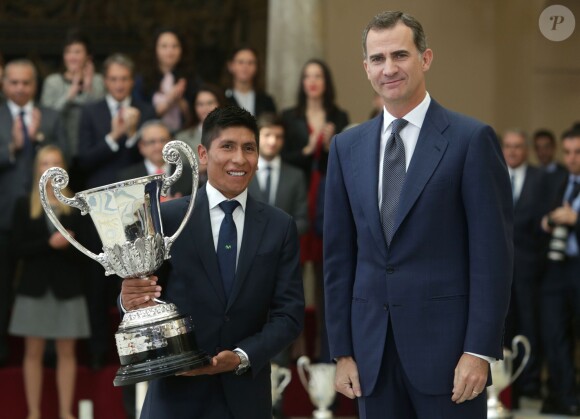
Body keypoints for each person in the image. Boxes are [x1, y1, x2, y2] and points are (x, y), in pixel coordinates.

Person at [323, 11, 513, 419]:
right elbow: (338, 259)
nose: (388, 68)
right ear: (365, 68)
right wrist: (342, 351)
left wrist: (478, 350)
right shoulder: (346, 147)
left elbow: (492, 258)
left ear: (425, 58)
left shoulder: (471, 140)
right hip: (371, 357)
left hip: (450, 361)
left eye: (400, 55)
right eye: (377, 59)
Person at [120, 106, 304, 419]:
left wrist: (242, 356)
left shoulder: (279, 226)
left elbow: (289, 314)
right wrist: (129, 299)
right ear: (203, 154)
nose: (239, 159)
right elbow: (143, 295)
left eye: (249, 148)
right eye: (227, 146)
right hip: (176, 397)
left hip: (246, 398)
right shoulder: (168, 217)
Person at [76, 53, 155, 370]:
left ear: (132, 81)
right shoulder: (90, 112)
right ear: (105, 81)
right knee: (97, 286)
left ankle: (137, 352)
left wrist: (135, 133)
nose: (119, 85)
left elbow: (151, 156)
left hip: (135, 211)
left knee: (136, 283)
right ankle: (98, 352)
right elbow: (82, 162)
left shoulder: (146, 111)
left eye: (125, 79)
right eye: (113, 79)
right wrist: (116, 136)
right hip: (99, 214)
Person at [9, 145, 90, 419]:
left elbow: (89, 252)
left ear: (63, 170)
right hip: (34, 288)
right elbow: (16, 248)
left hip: (68, 288)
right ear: (37, 169)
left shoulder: (75, 207)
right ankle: (33, 413)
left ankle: (66, 413)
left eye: (55, 163)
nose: (50, 168)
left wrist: (69, 244)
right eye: (44, 163)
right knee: (33, 353)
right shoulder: (24, 204)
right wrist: (49, 243)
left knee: (68, 353)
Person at [281, 58, 349, 361]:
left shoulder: (339, 116)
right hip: (296, 203)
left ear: (326, 82)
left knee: (326, 289)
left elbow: (348, 160)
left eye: (318, 75)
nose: (312, 81)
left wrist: (332, 143)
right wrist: (308, 148)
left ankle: (326, 360)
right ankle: (292, 359)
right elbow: (280, 159)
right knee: (290, 288)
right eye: (307, 76)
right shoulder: (289, 116)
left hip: (326, 204)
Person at [0, 59, 63, 367]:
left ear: (35, 85)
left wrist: (38, 139)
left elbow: (66, 158)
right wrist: (11, 146)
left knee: (48, 282)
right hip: (3, 218)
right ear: (4, 83)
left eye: (26, 82)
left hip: (45, 216)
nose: (20, 88)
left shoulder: (50, 117)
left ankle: (50, 350)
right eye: (14, 82)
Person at [538, 127, 580, 416]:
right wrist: (549, 221)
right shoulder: (561, 179)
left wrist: (576, 218)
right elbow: (546, 212)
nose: (572, 158)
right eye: (567, 152)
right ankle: (563, 395)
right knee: (554, 333)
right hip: (556, 268)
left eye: (578, 152)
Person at [501, 129, 545, 402]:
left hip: (530, 269)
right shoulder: (491, 173)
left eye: (518, 146)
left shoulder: (542, 179)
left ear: (526, 149)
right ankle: (507, 389)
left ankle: (529, 384)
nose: (513, 151)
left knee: (530, 326)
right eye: (508, 146)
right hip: (500, 269)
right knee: (502, 326)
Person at [40, 29, 106, 166]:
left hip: (92, 151)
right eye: (68, 52)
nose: (72, 57)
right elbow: (47, 119)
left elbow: (102, 115)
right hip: (61, 152)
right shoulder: (53, 82)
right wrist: (69, 94)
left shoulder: (99, 81)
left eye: (77, 52)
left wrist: (88, 88)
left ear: (88, 56)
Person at [248, 112, 308, 235]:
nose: (273, 141)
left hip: (282, 249)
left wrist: (280, 235)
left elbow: (303, 220)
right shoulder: (242, 172)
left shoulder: (296, 176)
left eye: (278, 136)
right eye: (267, 135)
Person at [133, 28, 193, 133]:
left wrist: (180, 101)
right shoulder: (142, 79)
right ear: (155, 49)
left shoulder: (190, 77)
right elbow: (139, 113)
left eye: (175, 46)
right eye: (164, 46)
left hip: (183, 136)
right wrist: (169, 100)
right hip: (152, 137)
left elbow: (197, 114)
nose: (170, 51)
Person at [118, 119, 193, 198]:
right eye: (152, 142)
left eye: (163, 140)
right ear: (141, 146)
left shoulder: (188, 174)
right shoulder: (127, 179)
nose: (158, 147)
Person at [175, 83, 226, 187]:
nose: (205, 108)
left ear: (220, 104)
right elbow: (179, 174)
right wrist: (201, 168)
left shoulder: (232, 133)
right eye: (200, 104)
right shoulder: (182, 138)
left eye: (210, 103)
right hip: (192, 192)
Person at [224, 46, 276, 118]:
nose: (245, 67)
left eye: (250, 63)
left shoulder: (266, 100)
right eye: (240, 62)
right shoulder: (222, 98)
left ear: (257, 67)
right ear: (231, 66)